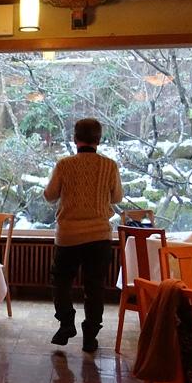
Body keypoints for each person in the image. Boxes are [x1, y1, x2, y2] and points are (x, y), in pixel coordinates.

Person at [43, 118, 123, 352]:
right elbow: (117, 197)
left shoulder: (64, 165)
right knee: (95, 287)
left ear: (75, 138)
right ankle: (90, 336)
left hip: (68, 235)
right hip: (99, 236)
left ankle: (66, 323)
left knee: (61, 281)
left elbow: (50, 195)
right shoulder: (109, 166)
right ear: (99, 139)